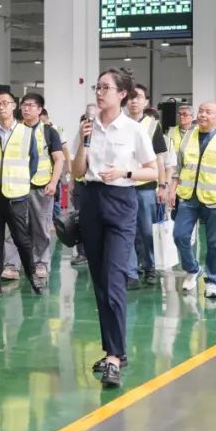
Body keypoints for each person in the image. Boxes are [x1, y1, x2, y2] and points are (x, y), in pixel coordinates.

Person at [73, 68, 157, 388]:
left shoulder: (134, 130)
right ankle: (113, 350)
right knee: (99, 282)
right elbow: (77, 171)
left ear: (122, 94)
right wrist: (83, 143)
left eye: (105, 88)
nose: (99, 92)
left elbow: (154, 172)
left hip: (121, 201)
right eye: (97, 87)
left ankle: (114, 357)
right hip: (91, 200)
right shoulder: (87, 127)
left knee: (114, 280)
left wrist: (125, 172)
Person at [0, 91, 44, 300]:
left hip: (16, 195)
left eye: (6, 103)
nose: (1, 107)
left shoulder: (26, 133)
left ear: (14, 106)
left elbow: (33, 162)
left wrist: (21, 181)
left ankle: (32, 275)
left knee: (21, 239)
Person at [169, 101, 216, 298]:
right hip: (188, 196)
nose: (202, 115)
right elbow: (179, 166)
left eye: (208, 112)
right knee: (179, 235)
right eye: (201, 111)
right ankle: (193, 269)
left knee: (214, 243)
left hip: (214, 198)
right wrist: (172, 189)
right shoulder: (188, 135)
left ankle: (212, 281)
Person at [125, 84, 170, 289]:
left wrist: (162, 185)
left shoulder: (152, 125)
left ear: (146, 102)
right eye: (131, 97)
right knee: (127, 231)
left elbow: (160, 159)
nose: (134, 101)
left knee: (146, 231)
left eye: (139, 97)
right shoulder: (120, 123)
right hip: (124, 185)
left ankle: (149, 267)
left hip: (145, 186)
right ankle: (131, 272)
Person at [20, 93, 65, 280]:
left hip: (41, 186)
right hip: (16, 187)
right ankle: (12, 264)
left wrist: (53, 182)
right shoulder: (15, 131)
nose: (26, 108)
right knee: (15, 227)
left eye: (30, 105)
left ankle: (41, 263)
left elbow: (59, 159)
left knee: (40, 227)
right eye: (24, 105)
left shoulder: (49, 132)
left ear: (40, 110)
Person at [69, 103, 97, 267]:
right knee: (80, 219)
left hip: (98, 184)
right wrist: (72, 181)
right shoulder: (81, 133)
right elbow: (74, 159)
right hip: (81, 183)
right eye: (88, 116)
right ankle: (82, 253)